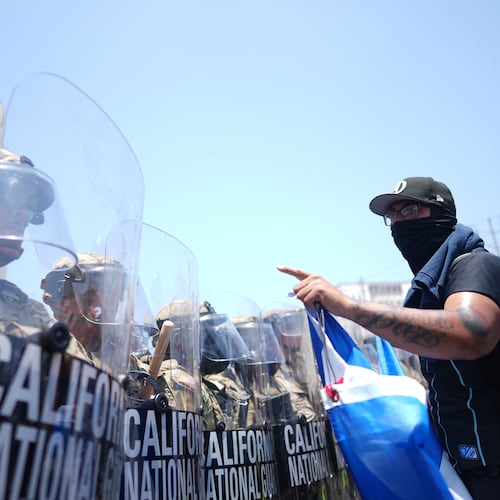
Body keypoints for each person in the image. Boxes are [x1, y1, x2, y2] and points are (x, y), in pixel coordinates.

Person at [278, 176, 500, 500]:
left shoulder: (474, 265)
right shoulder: (431, 287)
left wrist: (350, 308)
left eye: (409, 211)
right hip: (465, 470)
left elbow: (470, 333)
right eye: (392, 217)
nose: (398, 224)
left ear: (442, 215)